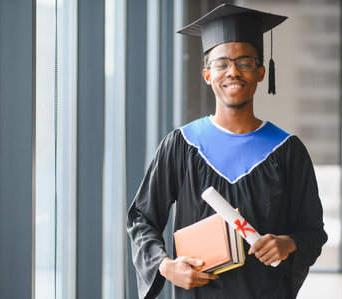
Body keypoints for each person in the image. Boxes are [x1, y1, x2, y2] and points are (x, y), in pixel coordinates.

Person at [126, 3, 328, 299]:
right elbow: (141, 217)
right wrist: (166, 266)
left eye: (245, 63)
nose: (233, 72)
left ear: (260, 72)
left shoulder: (287, 150)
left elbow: (313, 231)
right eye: (222, 64)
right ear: (207, 74)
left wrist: (287, 243)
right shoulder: (182, 145)